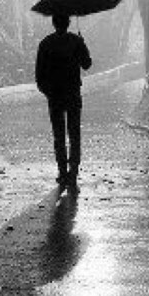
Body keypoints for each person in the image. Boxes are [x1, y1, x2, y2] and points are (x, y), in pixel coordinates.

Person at [35, 14, 92, 185]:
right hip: (73, 94)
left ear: (53, 23)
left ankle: (62, 171)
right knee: (74, 134)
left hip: (55, 96)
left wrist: (48, 92)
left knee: (58, 135)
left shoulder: (45, 44)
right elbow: (87, 64)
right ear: (68, 23)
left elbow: (39, 75)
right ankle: (73, 171)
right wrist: (83, 44)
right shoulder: (76, 41)